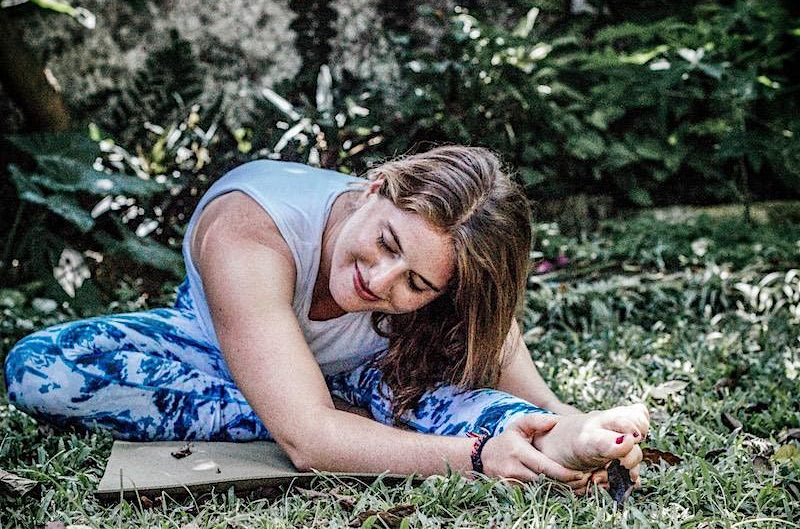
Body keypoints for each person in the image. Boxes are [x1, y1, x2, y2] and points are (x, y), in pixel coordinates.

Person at [5, 146, 648, 492]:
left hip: (366, 374)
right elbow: (309, 445)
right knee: (38, 370)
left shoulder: (435, 280)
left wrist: (579, 425)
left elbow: (530, 391)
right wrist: (474, 458)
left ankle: (370, 421)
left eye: (417, 284)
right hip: (213, 353)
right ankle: (328, 416)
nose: (379, 280)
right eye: (388, 245)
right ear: (375, 187)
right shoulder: (250, 228)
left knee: (521, 423)